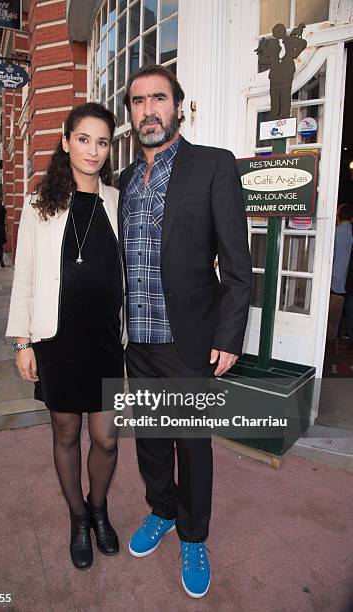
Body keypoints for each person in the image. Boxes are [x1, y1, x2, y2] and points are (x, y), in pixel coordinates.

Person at [119, 65, 252, 598]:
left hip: (190, 340)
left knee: (193, 444)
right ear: (129, 114)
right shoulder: (124, 180)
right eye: (137, 102)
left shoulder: (213, 166)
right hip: (137, 341)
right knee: (150, 440)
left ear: (178, 106)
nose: (148, 110)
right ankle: (162, 511)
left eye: (158, 99)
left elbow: (238, 267)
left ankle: (194, 535)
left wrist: (229, 335)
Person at [6, 103, 127, 571]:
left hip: (105, 342)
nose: (93, 150)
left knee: (107, 438)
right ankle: (79, 518)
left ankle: (99, 508)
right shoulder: (39, 206)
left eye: (102, 142)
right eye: (84, 139)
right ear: (66, 140)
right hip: (57, 340)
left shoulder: (117, 200)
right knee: (66, 430)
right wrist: (22, 342)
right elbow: (23, 279)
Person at [327, 203, 353, 343]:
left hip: (335, 278)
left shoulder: (336, 232)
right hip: (348, 279)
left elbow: (331, 256)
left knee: (333, 312)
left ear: (338, 216)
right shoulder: (349, 232)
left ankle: (332, 336)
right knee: (348, 310)